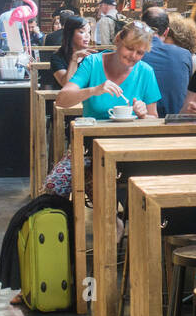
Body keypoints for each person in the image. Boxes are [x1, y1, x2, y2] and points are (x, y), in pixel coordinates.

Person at [43, 21, 161, 197]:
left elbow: (154, 120)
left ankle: (116, 219)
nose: (133, 56)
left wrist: (143, 115)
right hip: (90, 149)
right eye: (130, 48)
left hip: (130, 150)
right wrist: (94, 90)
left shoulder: (146, 72)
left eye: (140, 52)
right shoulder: (92, 63)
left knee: (133, 190)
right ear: (118, 40)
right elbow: (62, 100)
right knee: (53, 186)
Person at [140, 6, 196, 116]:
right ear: (166, 32)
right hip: (175, 123)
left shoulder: (133, 55)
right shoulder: (184, 55)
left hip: (142, 122)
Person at [47, 15, 91, 89]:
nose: (87, 36)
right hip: (66, 99)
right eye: (82, 32)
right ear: (70, 33)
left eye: (89, 32)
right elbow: (67, 84)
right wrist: (74, 59)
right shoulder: (57, 57)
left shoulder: (92, 56)